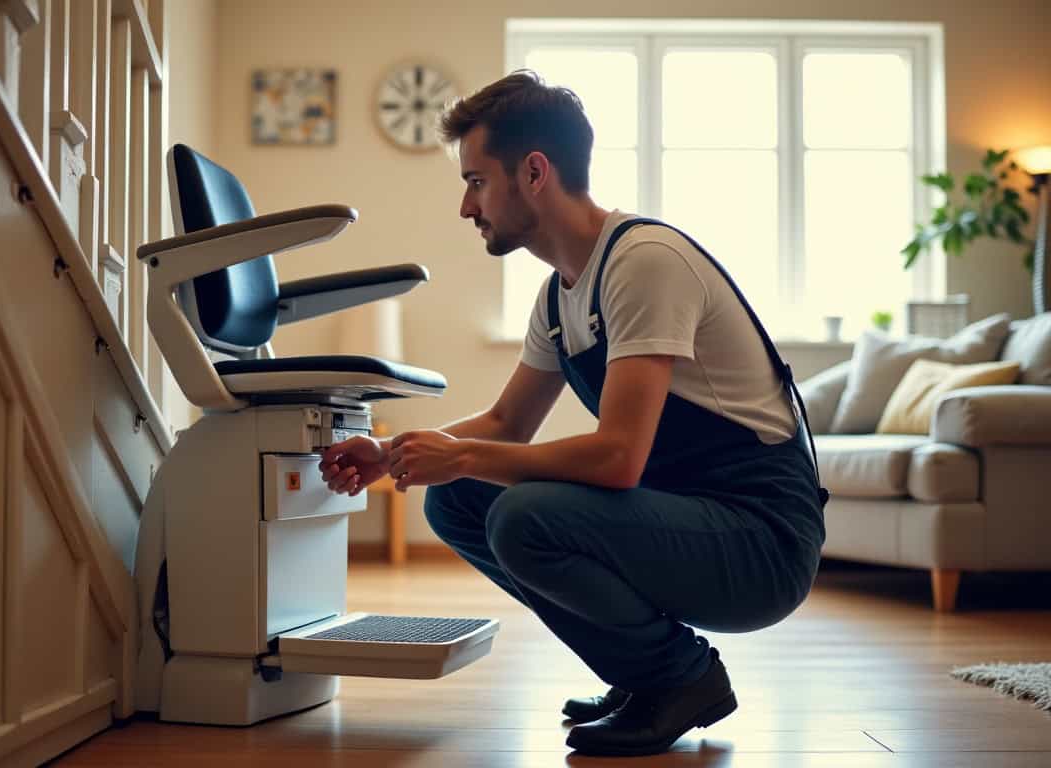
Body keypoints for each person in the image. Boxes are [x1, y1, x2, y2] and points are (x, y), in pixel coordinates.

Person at [318, 70, 828, 757]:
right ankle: (639, 669)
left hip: (761, 542)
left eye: (475, 181)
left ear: (534, 173)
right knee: (457, 499)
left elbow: (618, 461)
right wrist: (391, 452)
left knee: (525, 517)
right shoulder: (560, 297)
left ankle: (679, 679)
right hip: (687, 521)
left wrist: (462, 455)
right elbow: (505, 425)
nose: (466, 208)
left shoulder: (644, 262)